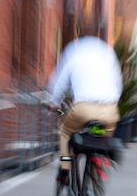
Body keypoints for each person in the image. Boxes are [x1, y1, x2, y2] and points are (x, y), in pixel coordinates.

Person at [47, 26, 122, 185]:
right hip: (109, 111)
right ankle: (96, 174)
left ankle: (65, 167)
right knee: (99, 137)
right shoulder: (107, 52)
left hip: (84, 109)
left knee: (65, 132)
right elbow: (118, 83)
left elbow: (59, 83)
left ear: (78, 36)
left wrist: (54, 103)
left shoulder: (74, 51)